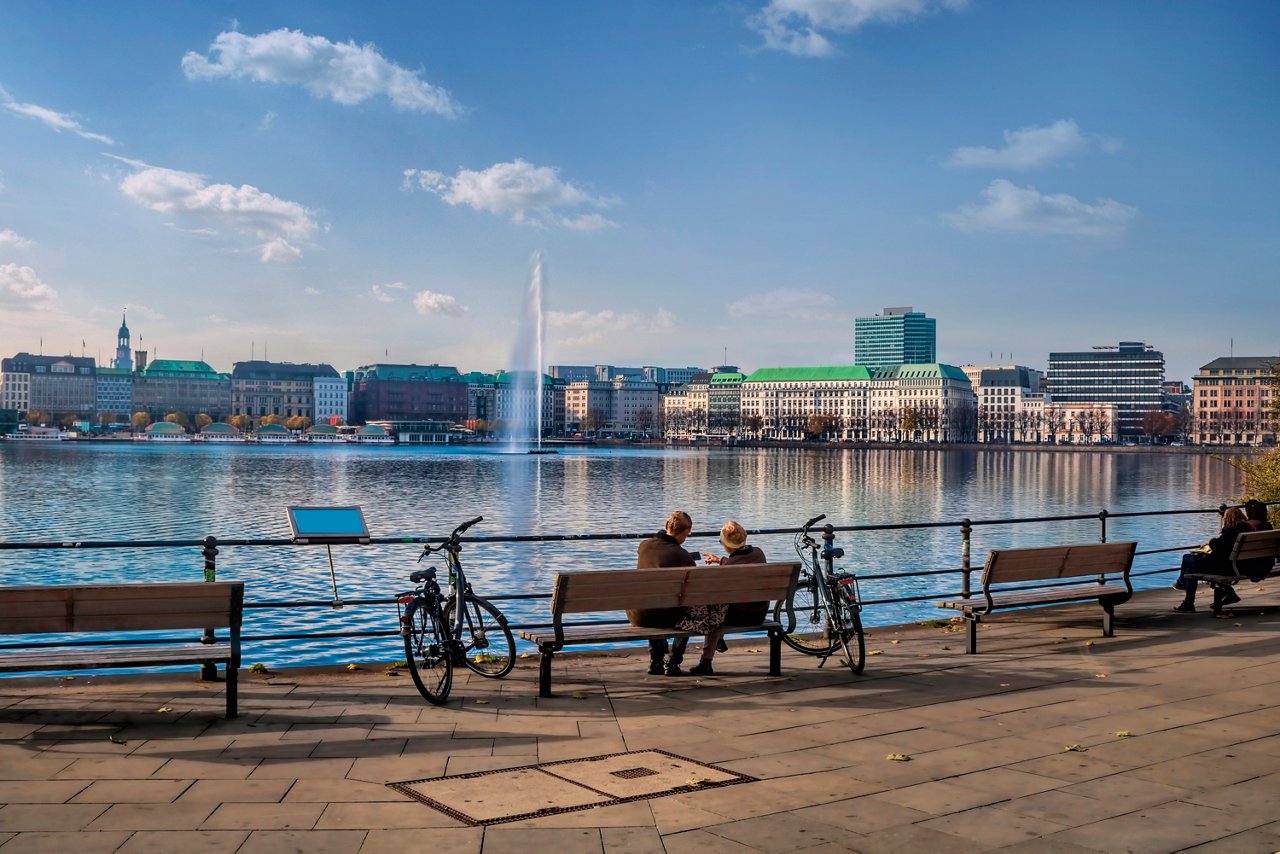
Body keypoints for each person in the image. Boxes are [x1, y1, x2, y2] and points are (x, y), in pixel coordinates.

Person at [674, 520, 768, 677]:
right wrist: (720, 560)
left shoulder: (729, 567)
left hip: (737, 617)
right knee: (723, 605)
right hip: (759, 613)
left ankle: (706, 661)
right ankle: (715, 645)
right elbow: (739, 561)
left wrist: (722, 563)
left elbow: (721, 585)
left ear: (727, 544)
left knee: (714, 612)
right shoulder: (759, 553)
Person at [630, 510, 698, 676]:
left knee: (653, 599)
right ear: (683, 532)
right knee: (687, 610)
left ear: (667, 526)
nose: (685, 539)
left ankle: (656, 661)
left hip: (638, 614)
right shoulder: (682, 555)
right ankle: (673, 662)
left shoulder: (644, 546)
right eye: (686, 535)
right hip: (665, 616)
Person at [1173, 506, 1247, 612]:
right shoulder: (1244, 530)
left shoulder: (1230, 533)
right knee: (1190, 571)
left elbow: (1218, 546)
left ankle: (1182, 584)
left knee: (1186, 558)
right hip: (1240, 566)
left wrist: (1211, 542)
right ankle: (1188, 602)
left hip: (1225, 567)